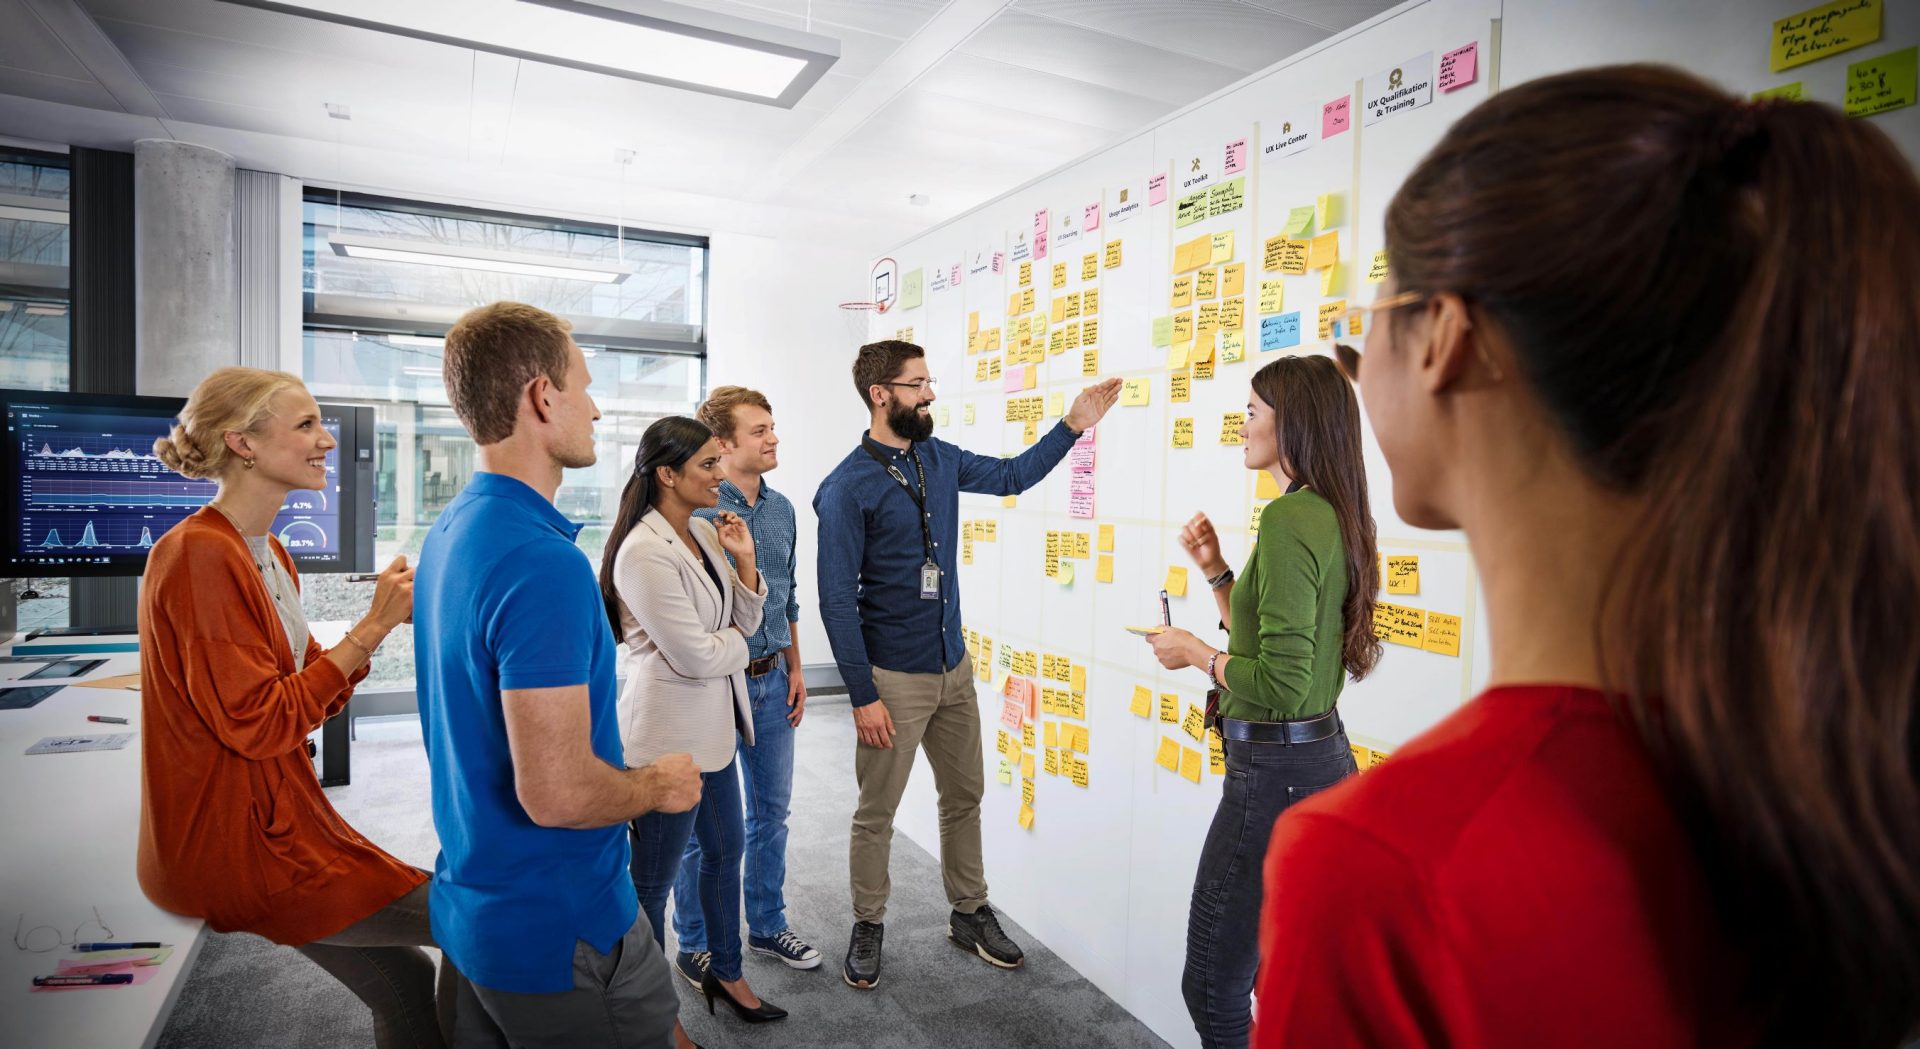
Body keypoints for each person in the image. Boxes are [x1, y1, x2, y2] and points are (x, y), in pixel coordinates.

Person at [1253, 66, 1920, 1046]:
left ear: (1445, 336)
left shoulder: (1382, 866)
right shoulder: (1836, 768)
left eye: (1376, 310)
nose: (1360, 366)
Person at [413, 302, 702, 1049]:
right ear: (544, 397)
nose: (597, 407)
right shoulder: (542, 563)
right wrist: (655, 786)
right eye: (585, 385)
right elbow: (560, 790)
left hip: (482, 907)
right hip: (561, 923)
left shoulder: (452, 529)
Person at [138, 367, 446, 1048]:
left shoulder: (267, 551)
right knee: (465, 917)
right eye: (306, 424)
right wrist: (371, 627)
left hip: (280, 817)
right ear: (241, 442)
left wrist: (381, 627)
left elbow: (306, 690)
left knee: (403, 979)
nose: (327, 440)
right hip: (241, 843)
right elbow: (260, 720)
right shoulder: (196, 555)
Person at [815, 339, 1121, 989]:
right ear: (881, 395)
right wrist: (862, 693)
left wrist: (1072, 424)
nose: (930, 393)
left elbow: (1011, 476)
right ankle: (868, 921)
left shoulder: (939, 457)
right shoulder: (846, 488)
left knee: (965, 796)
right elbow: (837, 601)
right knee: (878, 809)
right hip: (892, 677)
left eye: (928, 381)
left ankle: (969, 910)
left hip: (954, 667)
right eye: (917, 383)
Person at [1144, 355, 1380, 1049]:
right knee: (1275, 974)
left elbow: (1276, 682)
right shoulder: (1328, 511)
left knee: (1212, 982)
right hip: (1321, 761)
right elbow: (1281, 650)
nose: (1241, 424)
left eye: (1252, 411)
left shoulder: (1287, 519)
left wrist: (1193, 652)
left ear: (1293, 422)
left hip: (1274, 774)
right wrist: (1217, 571)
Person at [600, 415, 786, 1024]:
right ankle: (651, 1010)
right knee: (652, 884)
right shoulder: (642, 552)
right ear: (666, 474)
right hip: (665, 740)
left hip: (715, 734)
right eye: (707, 464)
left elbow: (749, 620)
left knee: (724, 852)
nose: (719, 474)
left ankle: (726, 972)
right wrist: (733, 641)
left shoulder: (706, 534)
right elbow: (694, 655)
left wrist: (747, 559)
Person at [668, 387, 820, 985]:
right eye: (759, 430)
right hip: (715, 684)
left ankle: (766, 923)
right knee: (704, 826)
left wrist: (797, 667)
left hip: (772, 679)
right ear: (723, 444)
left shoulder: (782, 509)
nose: (773, 438)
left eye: (772, 427)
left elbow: (786, 596)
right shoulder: (699, 513)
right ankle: (696, 942)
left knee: (771, 814)